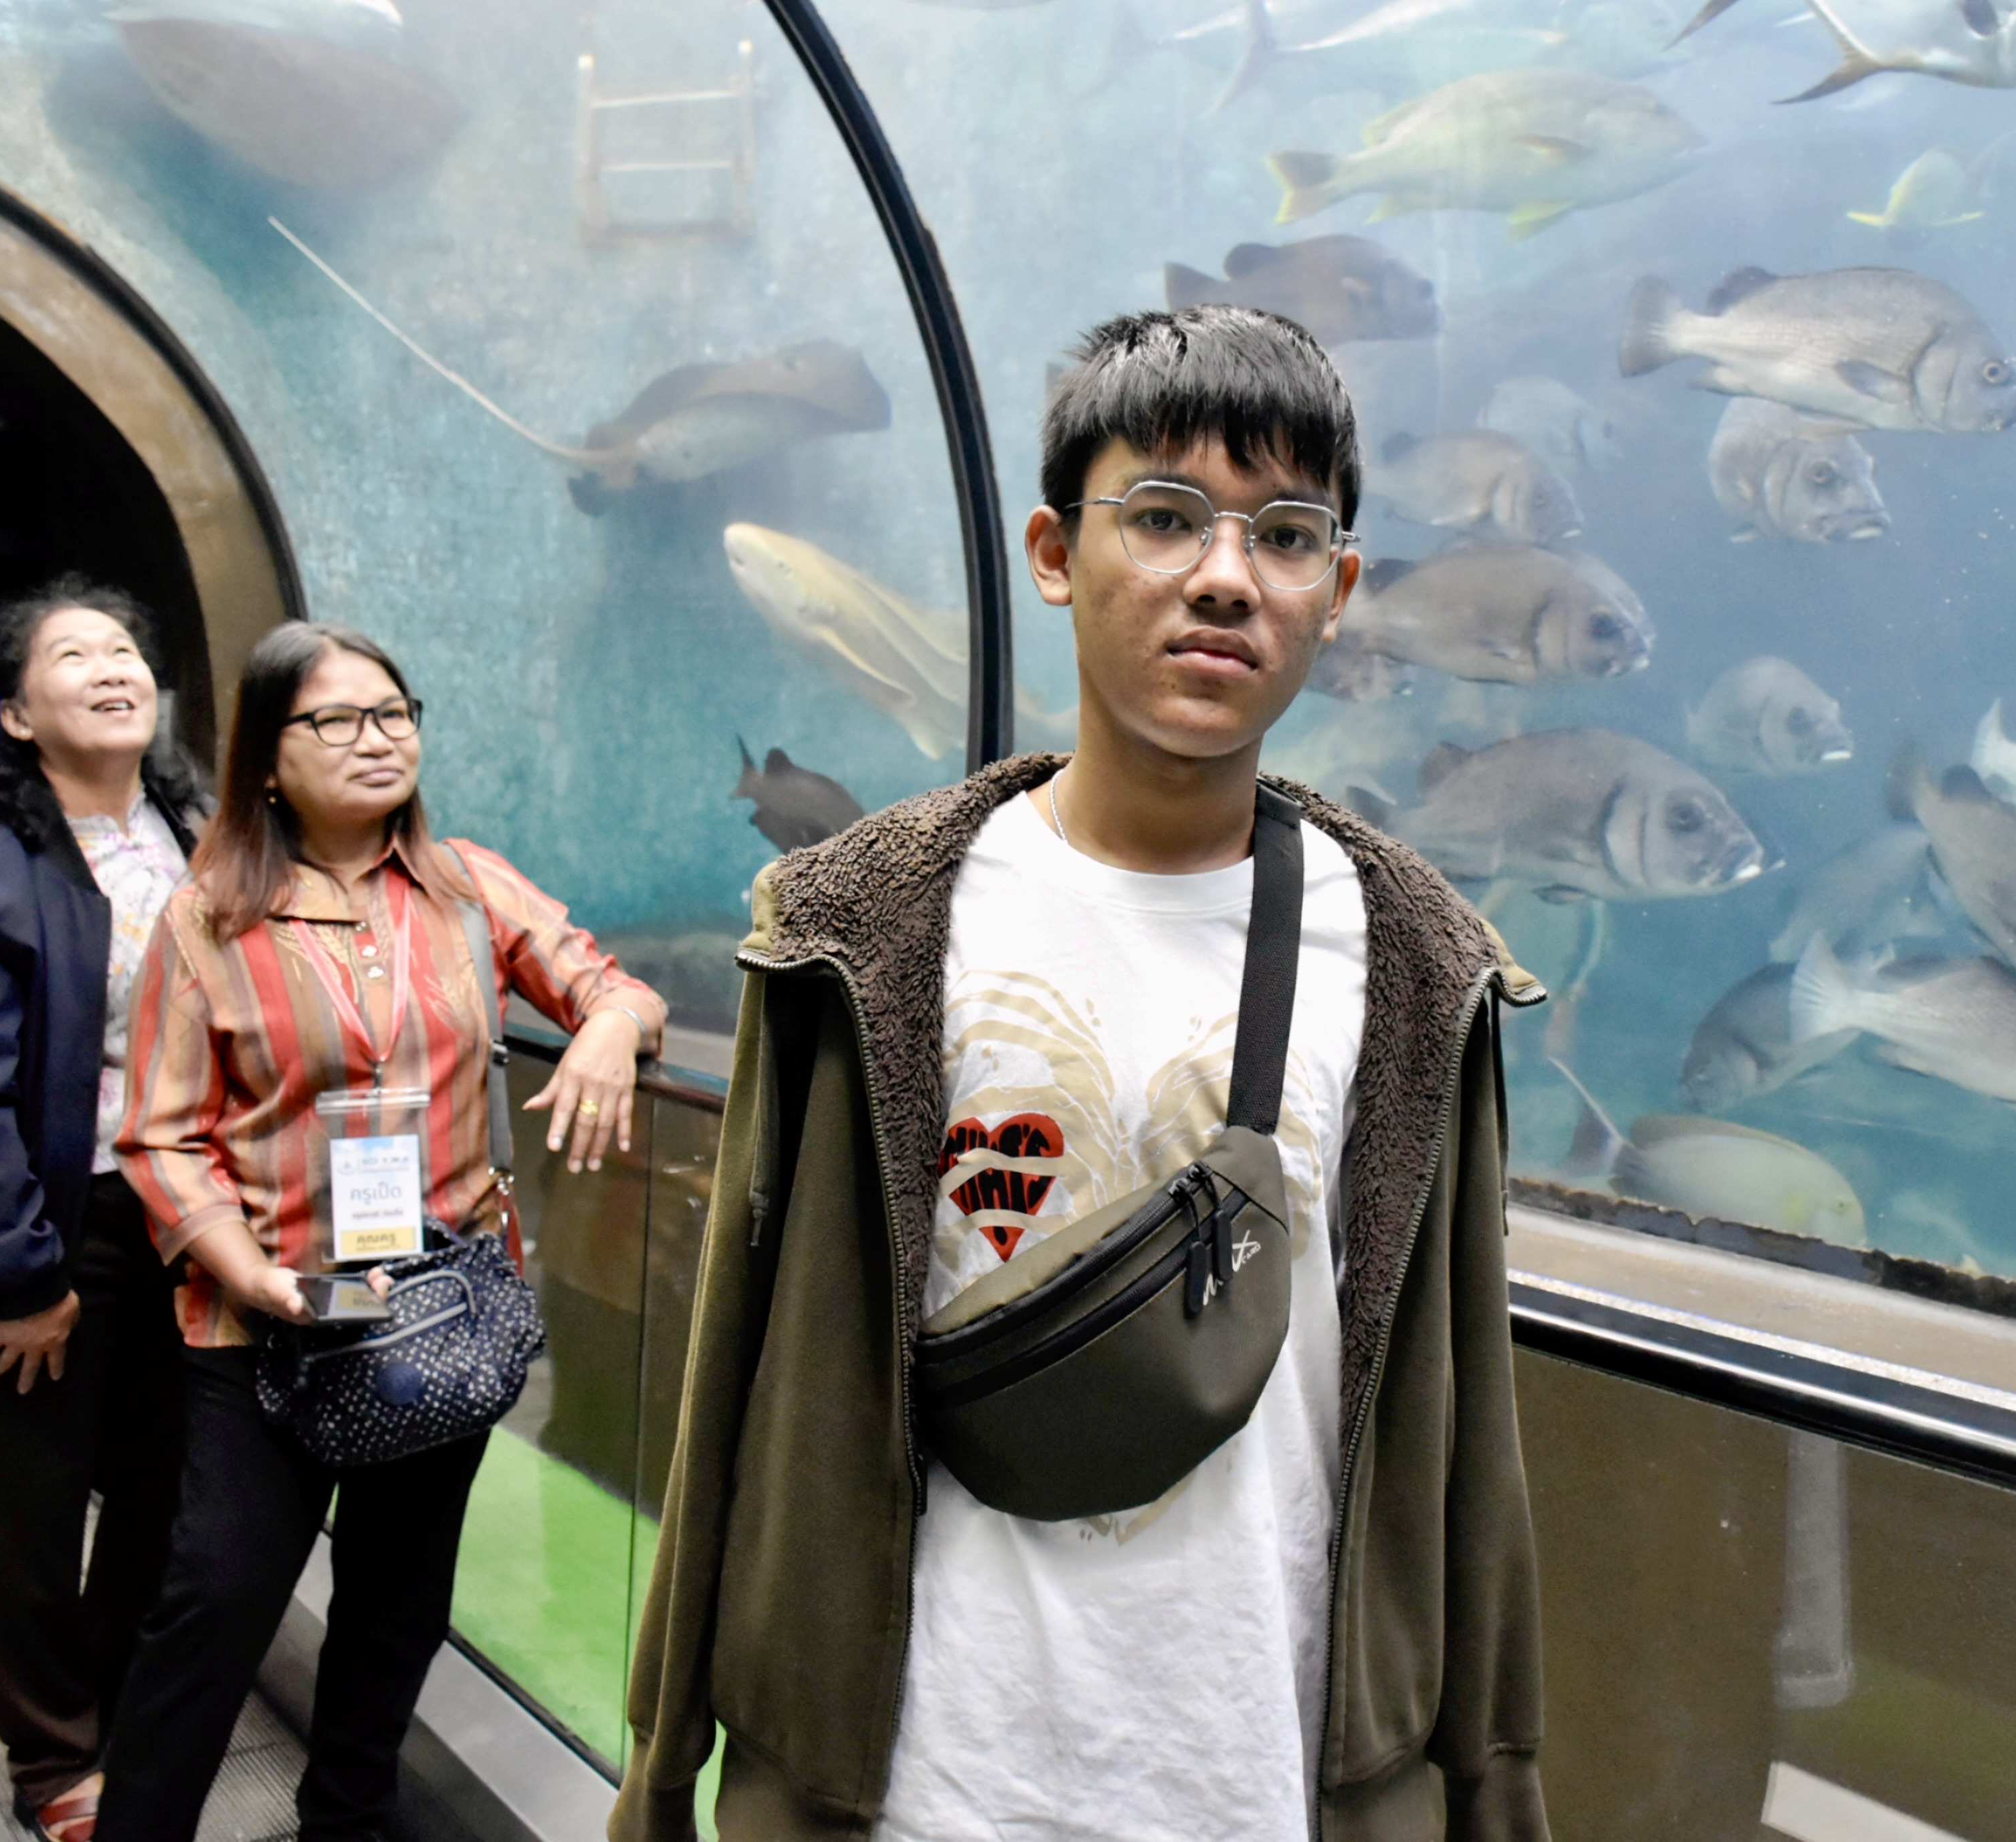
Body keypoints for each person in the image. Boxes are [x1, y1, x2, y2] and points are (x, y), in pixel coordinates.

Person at [615, 305, 1552, 1842]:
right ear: (1055, 552)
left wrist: (1493, 1790)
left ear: (1339, 592)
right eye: (1165, 517)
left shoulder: (1415, 965)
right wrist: (664, 1770)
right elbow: (741, 1366)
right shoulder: (861, 931)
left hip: (1261, 1781)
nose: (1226, 577)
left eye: (1286, 535)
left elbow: (1466, 1439)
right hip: (922, 1778)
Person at [102, 620, 669, 1841]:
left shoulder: (468, 888)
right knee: (216, 1600)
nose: (378, 739)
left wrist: (612, 1031)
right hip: (266, 1321)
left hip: (435, 1317)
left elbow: (612, 983)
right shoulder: (206, 920)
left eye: (395, 713)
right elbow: (160, 1134)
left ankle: (346, 1824)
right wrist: (247, 1269)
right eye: (338, 719)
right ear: (267, 756)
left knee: (397, 1608)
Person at [0, 578, 204, 1842]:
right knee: (29, 1515)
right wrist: (25, 1277)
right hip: (44, 1227)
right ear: (18, 715)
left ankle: (115, 1707)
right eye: (76, 656)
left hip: (187, 1220)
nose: (114, 668)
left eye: (125, 650)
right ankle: (51, 1757)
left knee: (165, 1488)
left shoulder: (204, 839)